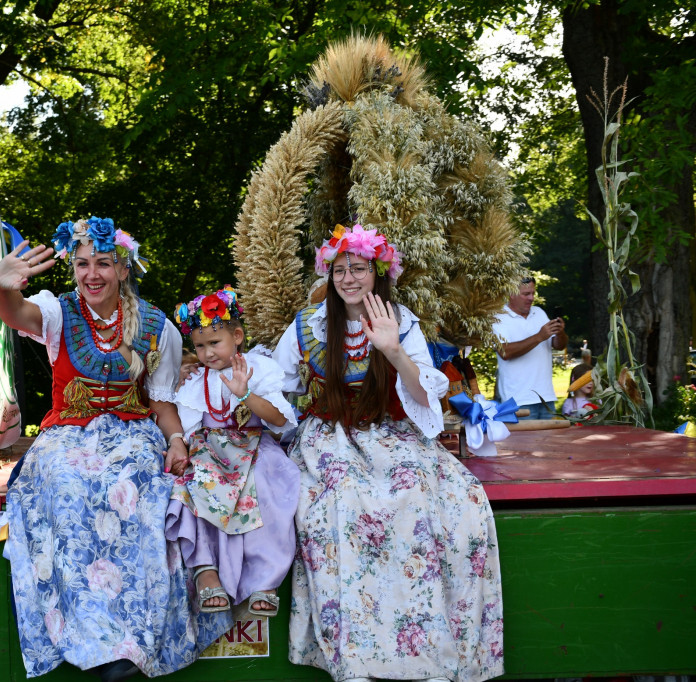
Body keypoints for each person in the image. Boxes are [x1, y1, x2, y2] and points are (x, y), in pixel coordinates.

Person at [0, 217, 232, 681]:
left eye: (102, 264)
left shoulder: (158, 326)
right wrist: (1, 287)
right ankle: (89, 637)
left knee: (135, 484)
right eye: (81, 264)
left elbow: (161, 401)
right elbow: (15, 314)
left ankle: (131, 640)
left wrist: (176, 440)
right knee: (67, 487)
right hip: (67, 434)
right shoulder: (57, 312)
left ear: (122, 269)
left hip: (131, 432)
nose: (91, 274)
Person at [272, 223, 504, 682]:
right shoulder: (307, 325)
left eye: (357, 269)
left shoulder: (402, 322)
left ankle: (425, 652)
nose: (348, 279)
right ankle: (357, 657)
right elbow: (278, 391)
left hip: (391, 432)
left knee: (432, 495)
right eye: (339, 270)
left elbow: (425, 397)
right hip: (330, 436)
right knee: (341, 499)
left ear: (377, 273)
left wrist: (394, 350)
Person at [164, 286, 299, 618]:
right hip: (211, 447)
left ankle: (264, 579)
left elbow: (279, 419)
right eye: (199, 345)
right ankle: (206, 568)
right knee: (195, 478)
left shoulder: (258, 368)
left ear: (237, 336)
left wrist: (246, 394)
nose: (207, 353)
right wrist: (181, 445)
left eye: (214, 343)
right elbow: (189, 427)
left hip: (255, 444)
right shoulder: (197, 380)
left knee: (267, 480)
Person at [492, 277, 567, 420]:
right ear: (511, 293)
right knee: (522, 443)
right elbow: (505, 352)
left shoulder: (539, 312)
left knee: (550, 442)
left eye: (533, 293)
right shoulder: (498, 317)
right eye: (526, 294)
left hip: (546, 398)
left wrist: (560, 332)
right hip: (518, 400)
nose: (531, 298)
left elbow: (558, 346)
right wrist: (539, 336)